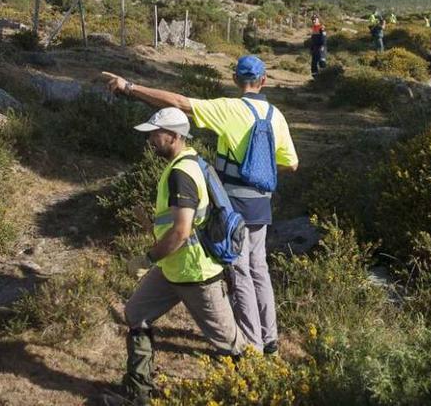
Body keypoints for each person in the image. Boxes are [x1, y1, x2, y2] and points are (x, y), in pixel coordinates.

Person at [103, 55, 299, 355]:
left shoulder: (231, 108)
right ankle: (270, 336)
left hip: (233, 208)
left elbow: (180, 103)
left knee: (240, 272)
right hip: (262, 206)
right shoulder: (276, 115)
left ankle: (252, 345)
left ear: (235, 79)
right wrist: (258, 173)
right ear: (264, 81)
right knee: (260, 268)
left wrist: (130, 87)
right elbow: (291, 164)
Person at [107, 107, 247, 405]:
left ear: (173, 136)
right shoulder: (188, 163)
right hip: (174, 267)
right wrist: (150, 225)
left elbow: (182, 231)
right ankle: (138, 394)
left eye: (154, 135)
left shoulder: (182, 173)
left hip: (195, 273)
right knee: (136, 313)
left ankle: (252, 391)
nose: (150, 140)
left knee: (230, 344)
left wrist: (146, 259)